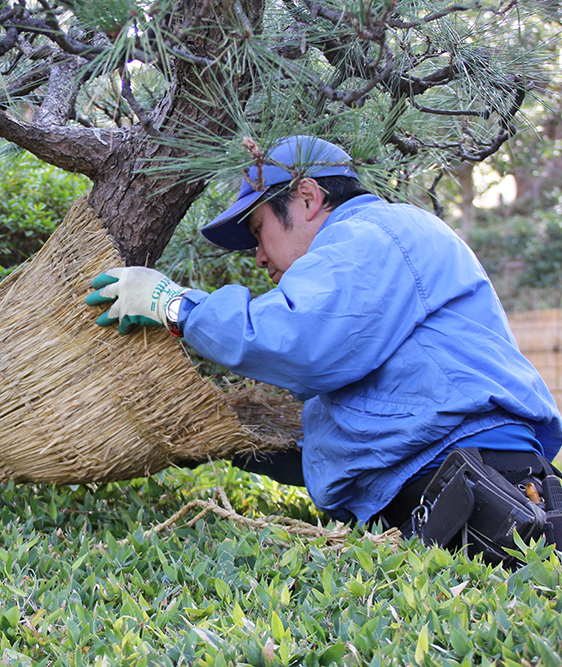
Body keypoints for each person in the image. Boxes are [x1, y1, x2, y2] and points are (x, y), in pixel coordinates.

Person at [85, 135, 562, 563]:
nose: (259, 255)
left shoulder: (372, 234)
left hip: (470, 486)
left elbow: (295, 339)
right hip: (455, 484)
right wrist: (225, 439)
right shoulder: (380, 247)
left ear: (309, 197)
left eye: (258, 230)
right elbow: (362, 426)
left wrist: (174, 305)